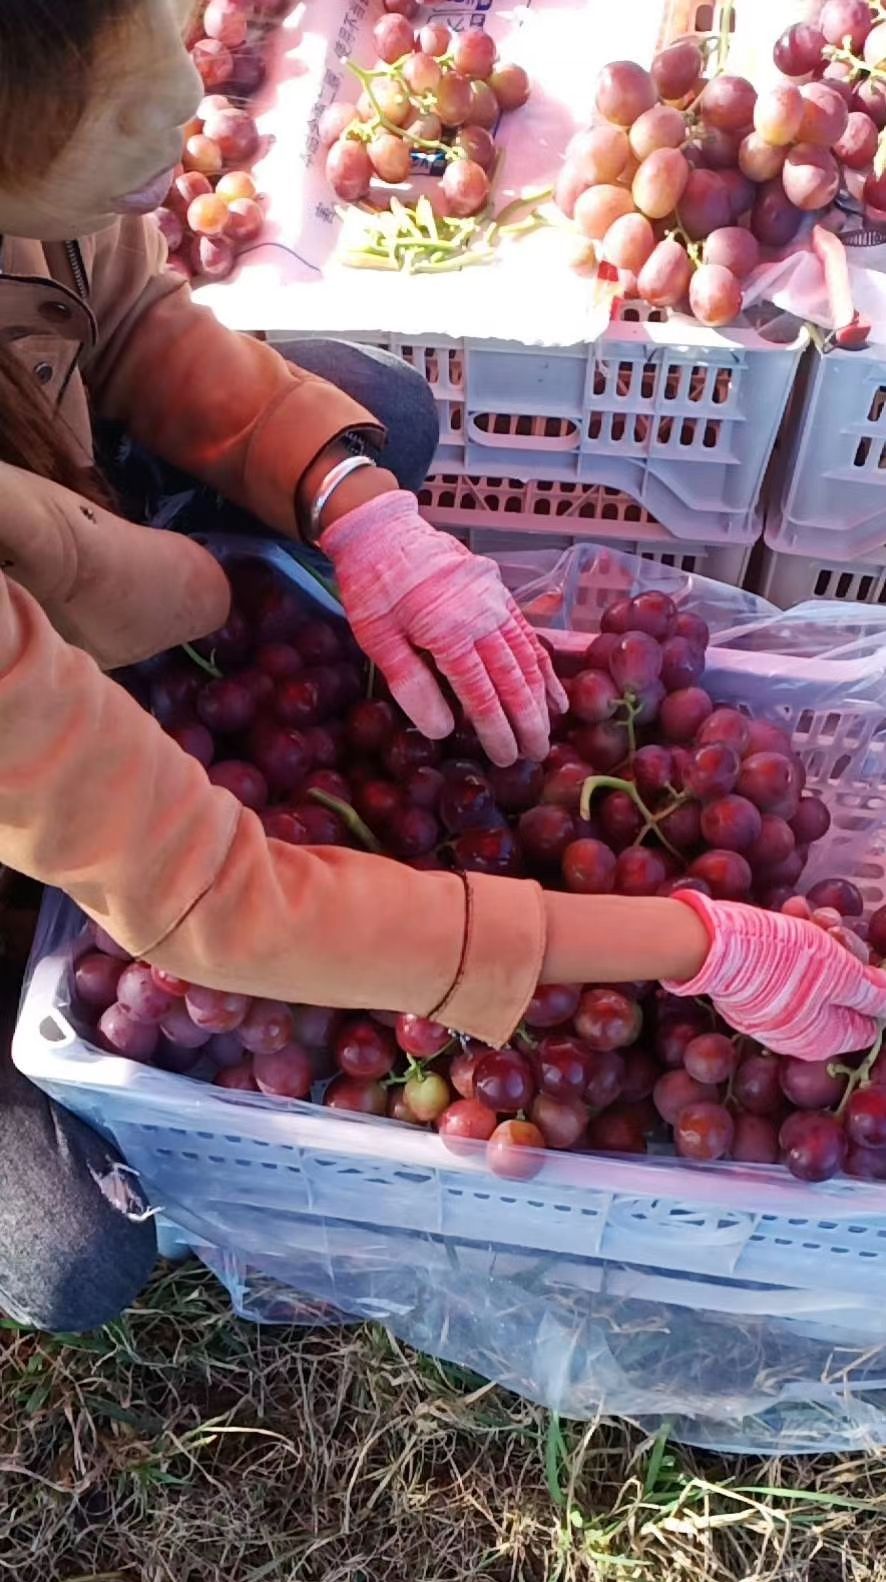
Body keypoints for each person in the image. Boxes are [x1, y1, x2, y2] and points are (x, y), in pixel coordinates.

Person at [1, 0, 885, 1334]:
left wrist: (343, 490)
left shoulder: (47, 167)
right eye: (130, 111)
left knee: (378, 423)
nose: (191, 100)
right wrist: (686, 942)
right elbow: (220, 904)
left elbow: (120, 318)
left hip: (66, 568)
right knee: (66, 1254)